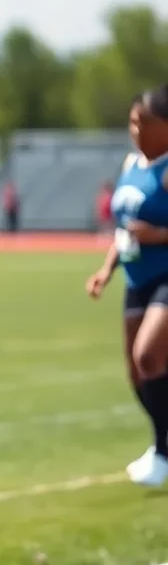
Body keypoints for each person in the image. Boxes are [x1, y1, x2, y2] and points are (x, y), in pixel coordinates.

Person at [87, 85, 168, 488]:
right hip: (135, 277)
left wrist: (159, 235)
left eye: (144, 122)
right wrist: (106, 269)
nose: (135, 129)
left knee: (149, 356)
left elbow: (149, 231)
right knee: (138, 373)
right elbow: (123, 230)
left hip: (166, 276)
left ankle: (162, 451)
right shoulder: (130, 163)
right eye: (133, 121)